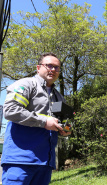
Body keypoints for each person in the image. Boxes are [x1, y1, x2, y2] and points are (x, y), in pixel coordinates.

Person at [1, 52, 71, 185]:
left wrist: (65, 130)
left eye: (57, 67)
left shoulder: (59, 97)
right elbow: (10, 110)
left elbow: (60, 122)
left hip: (45, 162)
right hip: (20, 160)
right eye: (49, 65)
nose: (53, 70)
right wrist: (44, 121)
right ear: (38, 68)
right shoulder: (26, 85)